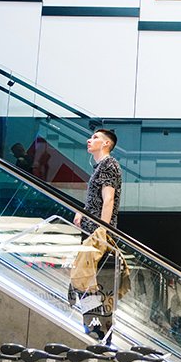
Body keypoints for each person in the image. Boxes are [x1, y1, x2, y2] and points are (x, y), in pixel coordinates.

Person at [72, 128, 122, 341]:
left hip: (98, 236)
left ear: (106, 144)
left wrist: (102, 230)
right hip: (92, 233)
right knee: (86, 284)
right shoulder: (100, 166)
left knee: (90, 284)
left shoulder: (109, 165)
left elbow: (108, 199)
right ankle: (96, 333)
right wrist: (82, 212)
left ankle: (100, 336)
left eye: (95, 138)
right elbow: (98, 199)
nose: (89, 140)